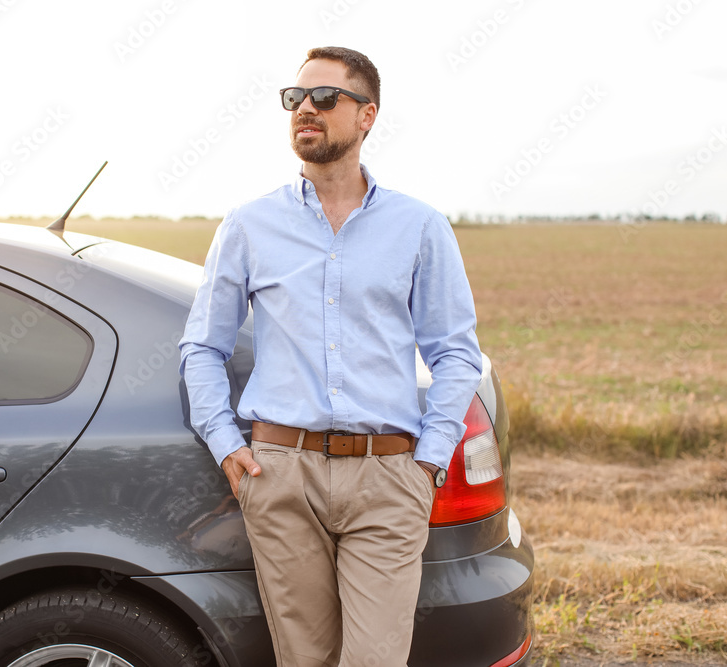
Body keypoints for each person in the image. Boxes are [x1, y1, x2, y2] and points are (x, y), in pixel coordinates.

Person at [178, 46, 483, 667]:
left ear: (366, 115)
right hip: (280, 474)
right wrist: (225, 442)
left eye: (323, 98)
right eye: (295, 99)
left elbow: (455, 353)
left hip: (388, 478)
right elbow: (201, 346)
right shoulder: (249, 225)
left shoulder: (420, 227)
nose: (304, 111)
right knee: (304, 660)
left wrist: (427, 461)